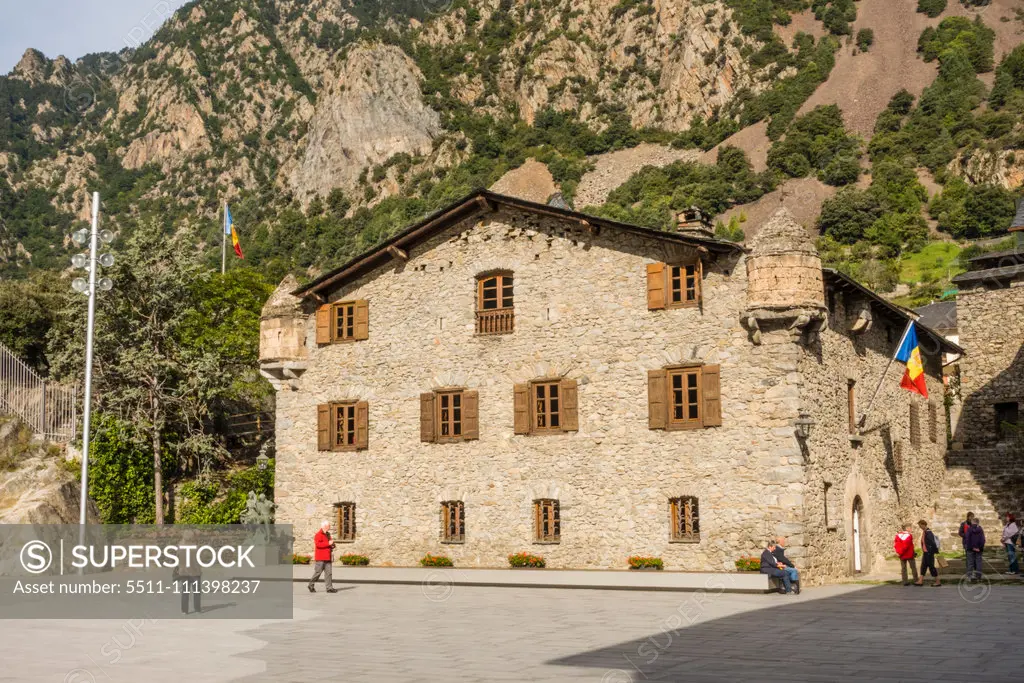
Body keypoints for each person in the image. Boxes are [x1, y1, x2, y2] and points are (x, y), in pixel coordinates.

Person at [308, 520, 338, 594]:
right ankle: (310, 585)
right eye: (329, 526)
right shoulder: (318, 535)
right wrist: (328, 543)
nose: (330, 527)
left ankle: (329, 588)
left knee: (329, 573)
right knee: (318, 573)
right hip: (320, 558)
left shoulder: (328, 534)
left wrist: (332, 545)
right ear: (325, 526)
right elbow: (318, 545)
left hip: (328, 557)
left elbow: (330, 543)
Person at [915, 520, 941, 587]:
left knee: (931, 567)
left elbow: (933, 543)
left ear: (923, 524)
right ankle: (920, 581)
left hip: (929, 553)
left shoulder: (928, 533)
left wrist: (935, 551)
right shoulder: (925, 532)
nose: (920, 527)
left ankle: (938, 581)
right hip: (925, 552)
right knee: (923, 567)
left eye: (920, 525)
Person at [964, 516, 985, 582]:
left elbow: (967, 539)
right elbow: (983, 540)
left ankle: (969, 577)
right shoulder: (980, 530)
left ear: (972, 522)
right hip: (978, 549)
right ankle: (978, 577)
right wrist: (979, 548)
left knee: (970, 563)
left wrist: (971, 547)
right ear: (978, 523)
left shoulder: (969, 529)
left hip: (970, 549)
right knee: (978, 563)